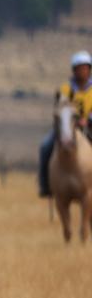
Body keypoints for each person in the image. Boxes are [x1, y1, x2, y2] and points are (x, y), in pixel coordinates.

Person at [38, 51, 92, 197]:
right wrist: (71, 119)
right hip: (67, 126)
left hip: (89, 126)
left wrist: (87, 120)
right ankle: (45, 185)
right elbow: (61, 107)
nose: (83, 71)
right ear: (74, 70)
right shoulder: (65, 89)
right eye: (79, 68)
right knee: (45, 146)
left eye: (85, 68)